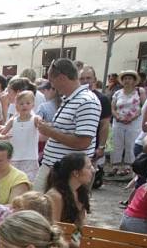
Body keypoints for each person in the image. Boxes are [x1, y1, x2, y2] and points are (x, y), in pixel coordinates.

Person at [33, 58, 101, 192]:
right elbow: (67, 129)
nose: (52, 86)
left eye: (52, 81)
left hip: (69, 173)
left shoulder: (87, 101)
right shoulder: (69, 99)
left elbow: (83, 142)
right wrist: (49, 128)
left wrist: (50, 132)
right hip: (54, 168)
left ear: (62, 78)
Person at [109, 70, 146, 180]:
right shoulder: (117, 93)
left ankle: (128, 167)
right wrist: (117, 116)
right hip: (119, 121)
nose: (127, 81)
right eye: (125, 79)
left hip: (134, 122)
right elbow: (113, 107)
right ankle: (115, 165)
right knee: (117, 144)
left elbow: (144, 106)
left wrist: (133, 117)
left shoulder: (139, 91)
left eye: (130, 79)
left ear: (134, 81)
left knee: (131, 144)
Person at [0, 90, 41, 180]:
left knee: (29, 182)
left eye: (27, 103)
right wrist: (4, 137)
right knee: (14, 181)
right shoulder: (13, 120)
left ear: (33, 105)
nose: (24, 105)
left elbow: (43, 129)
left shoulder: (35, 119)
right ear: (16, 105)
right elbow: (0, 136)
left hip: (30, 158)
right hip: (15, 157)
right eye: (21, 103)